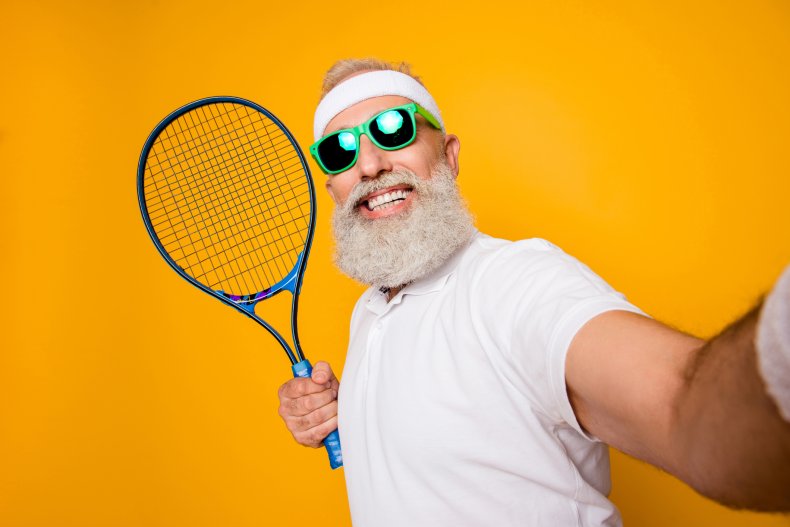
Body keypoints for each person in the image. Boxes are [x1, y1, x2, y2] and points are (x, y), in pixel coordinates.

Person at [277, 58, 790, 526]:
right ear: (335, 191)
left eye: (394, 130)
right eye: (340, 150)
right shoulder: (370, 313)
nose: (368, 165)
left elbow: (682, 407)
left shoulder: (513, 282)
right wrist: (350, 411)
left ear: (449, 155)